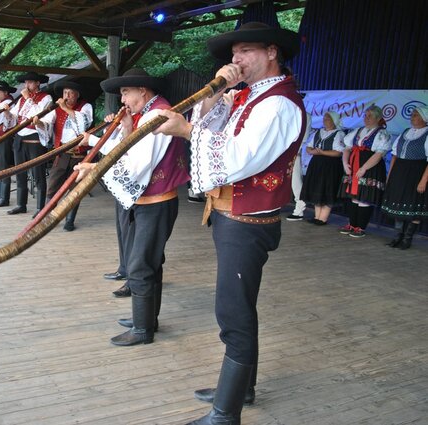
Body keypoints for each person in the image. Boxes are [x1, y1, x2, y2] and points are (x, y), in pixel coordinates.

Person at [154, 22, 307, 425]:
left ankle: (226, 414)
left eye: (244, 51)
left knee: (233, 313)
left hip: (248, 222)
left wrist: (185, 130)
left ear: (272, 52)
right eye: (233, 53)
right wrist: (218, 89)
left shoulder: (279, 104)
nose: (234, 60)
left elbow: (238, 156)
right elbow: (212, 126)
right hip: (232, 217)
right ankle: (240, 388)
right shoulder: (248, 95)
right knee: (239, 308)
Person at [75, 67, 190, 346]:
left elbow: (137, 165)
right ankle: (147, 319)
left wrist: (95, 168)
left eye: (126, 92)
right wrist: (126, 128)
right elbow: (130, 151)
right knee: (151, 262)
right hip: (151, 200)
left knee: (140, 264)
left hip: (156, 201)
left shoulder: (156, 115)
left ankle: (142, 329)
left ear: (143, 90)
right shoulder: (146, 114)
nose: (123, 99)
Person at [34, 80, 93, 231]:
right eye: (65, 92)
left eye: (70, 92)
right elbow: (47, 124)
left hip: (79, 156)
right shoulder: (57, 109)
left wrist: (65, 108)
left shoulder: (85, 107)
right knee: (52, 186)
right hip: (62, 154)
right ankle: (47, 218)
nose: (66, 96)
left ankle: (69, 220)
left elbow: (83, 125)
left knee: (75, 189)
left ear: (77, 95)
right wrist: (39, 123)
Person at [3, 71, 52, 216]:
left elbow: (37, 114)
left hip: (34, 140)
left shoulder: (46, 98)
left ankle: (40, 207)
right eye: (26, 82)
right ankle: (21, 204)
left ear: (37, 83)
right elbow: (15, 117)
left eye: (30, 82)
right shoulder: (22, 100)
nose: (27, 85)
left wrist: (27, 98)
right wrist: (7, 114)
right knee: (20, 173)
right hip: (20, 139)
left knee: (38, 174)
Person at [338, 105, 392, 238]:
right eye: (365, 115)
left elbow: (379, 154)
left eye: (370, 116)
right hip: (354, 165)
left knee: (364, 198)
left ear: (378, 118)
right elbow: (347, 148)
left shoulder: (381, 133)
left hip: (370, 167)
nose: (367, 118)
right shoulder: (358, 131)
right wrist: (345, 163)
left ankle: (360, 227)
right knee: (354, 198)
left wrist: (364, 168)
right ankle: (352, 224)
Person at [381, 106, 428, 249]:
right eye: (412, 114)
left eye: (415, 115)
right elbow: (394, 155)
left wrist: (423, 180)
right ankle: (397, 236)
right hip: (400, 172)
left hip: (416, 172)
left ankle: (407, 239)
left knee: (413, 206)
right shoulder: (405, 132)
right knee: (398, 203)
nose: (412, 117)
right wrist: (390, 175)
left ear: (424, 118)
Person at [299, 111, 346, 224]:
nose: (325, 120)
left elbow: (339, 153)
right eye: (324, 118)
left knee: (327, 188)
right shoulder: (318, 132)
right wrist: (314, 151)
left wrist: (322, 152)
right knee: (318, 187)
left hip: (331, 165)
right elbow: (308, 148)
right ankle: (317, 217)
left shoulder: (339, 134)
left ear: (334, 120)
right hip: (317, 163)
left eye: (328, 118)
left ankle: (323, 218)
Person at [286, 112, 311, 221]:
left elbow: (303, 137)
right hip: (280, 151)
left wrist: (295, 151)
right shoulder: (286, 111)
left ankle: (299, 209)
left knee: (295, 180)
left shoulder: (304, 115)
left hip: (293, 151)